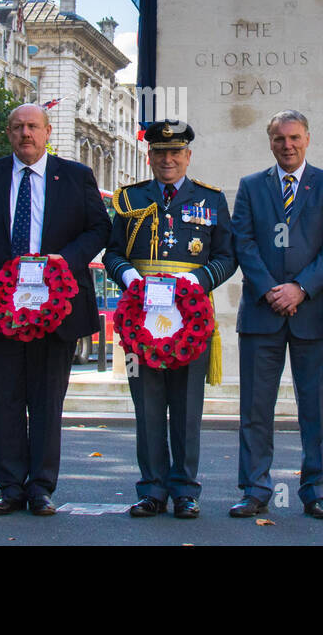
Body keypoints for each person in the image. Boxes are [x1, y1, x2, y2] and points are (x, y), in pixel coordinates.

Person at [0, 104, 111, 515]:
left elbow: (100, 228)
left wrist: (68, 259)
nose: (26, 134)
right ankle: (9, 486)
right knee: (4, 399)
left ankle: (41, 487)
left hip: (56, 310)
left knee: (46, 401)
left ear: (47, 132)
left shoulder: (75, 177)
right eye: (18, 127)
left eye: (33, 127)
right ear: (9, 133)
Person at [105, 120, 236, 518]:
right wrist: (131, 280)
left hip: (191, 317)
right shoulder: (129, 199)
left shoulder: (211, 200)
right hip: (140, 315)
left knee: (186, 406)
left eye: (175, 152)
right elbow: (113, 253)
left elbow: (227, 257)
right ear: (150, 157)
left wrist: (193, 282)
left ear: (188, 156)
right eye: (160, 153)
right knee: (147, 406)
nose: (168, 159)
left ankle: (185, 490)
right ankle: (151, 489)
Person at [228, 111, 323, 520]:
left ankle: (315, 491)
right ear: (270, 142)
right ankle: (254, 489)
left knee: (316, 411)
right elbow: (242, 243)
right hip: (262, 314)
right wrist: (270, 289)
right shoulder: (250, 187)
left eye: (294, 137)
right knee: (256, 409)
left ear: (308, 139)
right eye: (279, 139)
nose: (287, 145)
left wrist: (300, 287)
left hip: (314, 313)